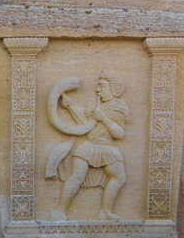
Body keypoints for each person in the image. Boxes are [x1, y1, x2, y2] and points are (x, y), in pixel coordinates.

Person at [47, 75, 128, 221]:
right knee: (77, 176)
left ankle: (105, 212)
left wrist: (103, 117)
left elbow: (119, 133)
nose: (98, 90)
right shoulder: (95, 105)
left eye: (102, 86)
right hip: (89, 146)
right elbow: (85, 124)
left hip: (107, 147)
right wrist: (70, 106)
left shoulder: (119, 108)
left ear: (114, 89)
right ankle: (60, 210)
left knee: (119, 177)